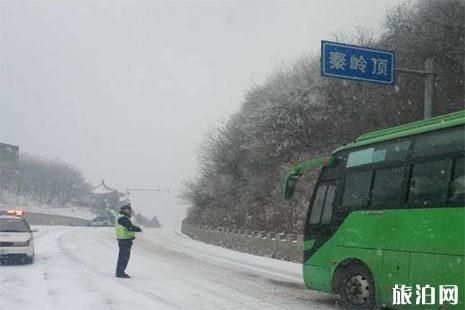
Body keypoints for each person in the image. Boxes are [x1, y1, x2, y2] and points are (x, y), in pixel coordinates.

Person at [115, 203, 142, 278]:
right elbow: (129, 227)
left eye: (130, 210)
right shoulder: (123, 218)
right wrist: (138, 229)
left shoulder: (122, 217)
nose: (130, 211)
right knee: (124, 257)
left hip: (124, 240)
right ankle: (120, 273)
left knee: (123, 257)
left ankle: (120, 272)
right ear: (124, 210)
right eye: (128, 210)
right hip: (124, 240)